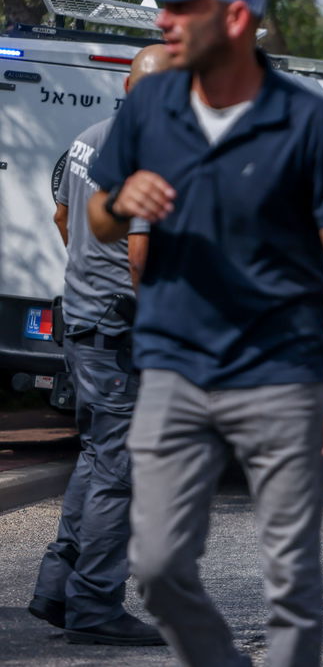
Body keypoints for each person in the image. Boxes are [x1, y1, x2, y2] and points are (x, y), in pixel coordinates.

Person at [85, 0, 323, 665]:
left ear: (237, 15)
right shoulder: (150, 100)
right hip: (173, 368)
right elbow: (95, 216)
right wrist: (122, 200)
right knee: (156, 569)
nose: (165, 19)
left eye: (183, 7)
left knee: (291, 583)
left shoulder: (306, 118)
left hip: (277, 371)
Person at [29, 44, 172, 647]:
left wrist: (88, 274)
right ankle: (94, 607)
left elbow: (63, 216)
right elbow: (142, 254)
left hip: (85, 324)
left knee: (96, 459)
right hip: (123, 333)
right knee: (120, 471)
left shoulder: (92, 135)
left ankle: (59, 589)